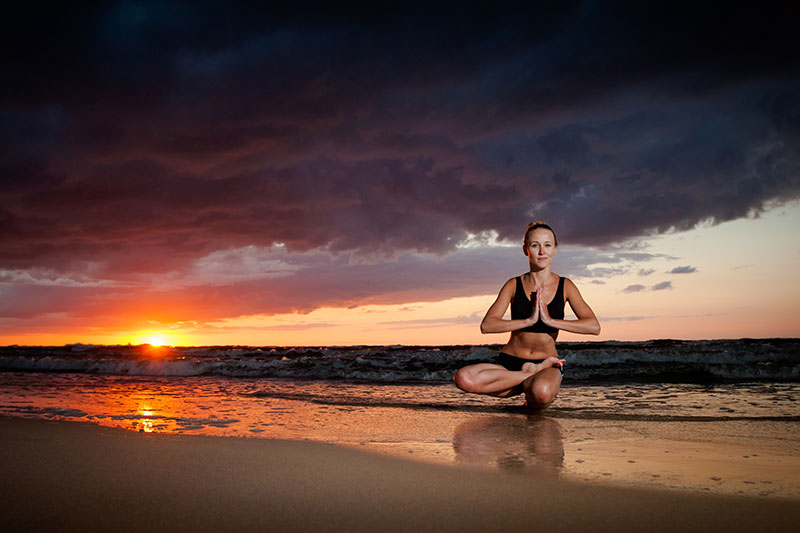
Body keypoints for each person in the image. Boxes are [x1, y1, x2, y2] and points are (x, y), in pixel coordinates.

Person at [453, 221, 600, 409]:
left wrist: (550, 320)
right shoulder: (513, 284)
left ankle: (536, 375)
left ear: (555, 249)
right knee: (463, 378)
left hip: (547, 364)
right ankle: (529, 374)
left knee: (541, 393)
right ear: (526, 249)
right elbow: (487, 326)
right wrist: (528, 321)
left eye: (547, 245)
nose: (541, 251)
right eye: (535, 245)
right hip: (509, 363)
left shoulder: (566, 286)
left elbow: (593, 327)